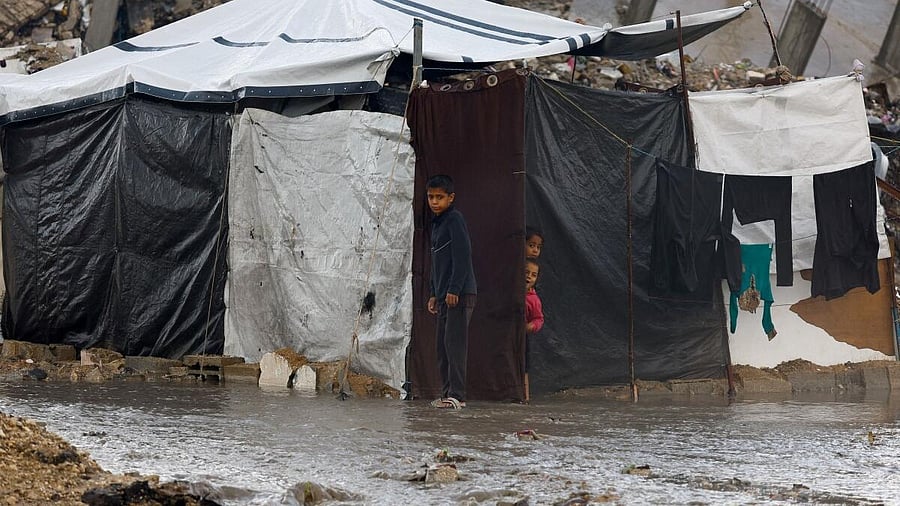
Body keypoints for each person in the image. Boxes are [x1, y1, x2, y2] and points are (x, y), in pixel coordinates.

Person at [426, 175, 477, 409]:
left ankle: (458, 395)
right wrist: (434, 293)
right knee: (442, 345)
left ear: (451, 198)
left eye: (440, 197)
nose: (435, 202)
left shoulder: (455, 219)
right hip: (444, 295)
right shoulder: (436, 223)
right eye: (431, 197)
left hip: (459, 293)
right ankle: (447, 393)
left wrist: (455, 288)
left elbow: (463, 255)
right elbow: (437, 263)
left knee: (454, 344)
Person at [524, 256, 543, 402]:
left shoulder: (533, 300)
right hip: (505, 336)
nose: (529, 277)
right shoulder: (510, 292)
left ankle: (525, 397)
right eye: (526, 272)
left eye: (533, 274)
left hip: (522, 338)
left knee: (524, 368)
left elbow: (538, 318)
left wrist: (532, 326)